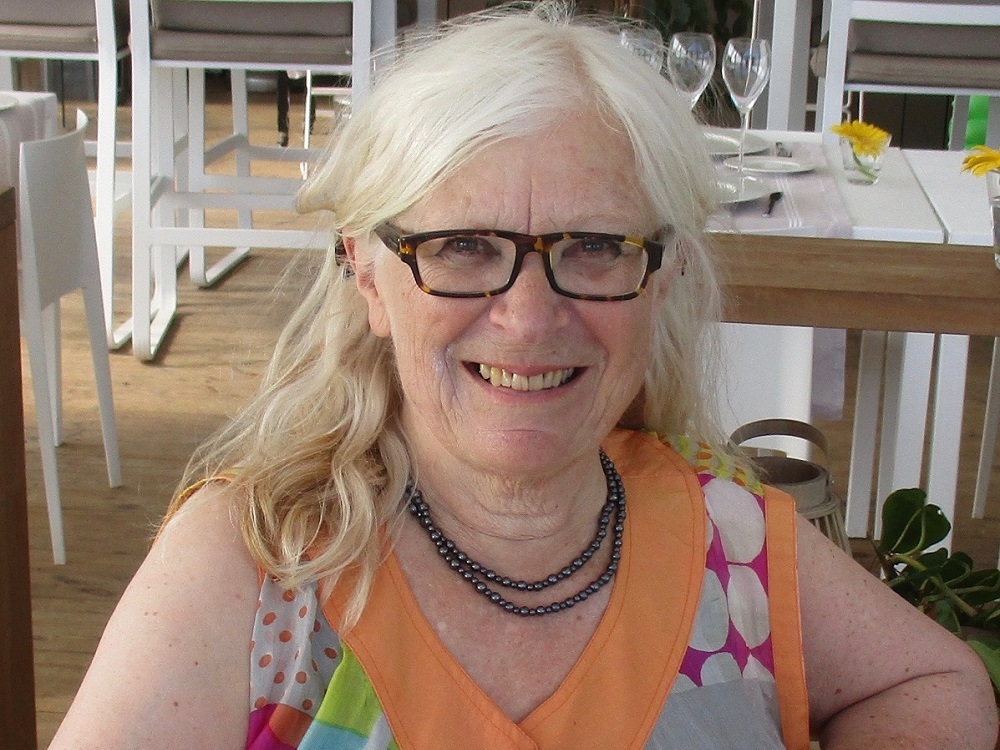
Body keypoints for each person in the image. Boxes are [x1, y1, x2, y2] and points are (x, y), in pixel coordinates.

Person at [50, 4, 997, 749]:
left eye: (593, 247)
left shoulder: (731, 542)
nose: (531, 316)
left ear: (658, 278)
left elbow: (935, 682)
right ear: (368, 275)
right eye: (462, 246)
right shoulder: (256, 566)